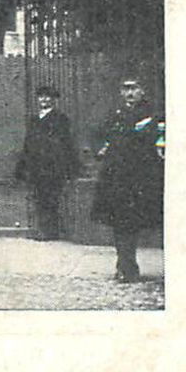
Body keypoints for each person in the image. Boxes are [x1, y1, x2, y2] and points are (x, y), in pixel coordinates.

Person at [91, 77, 165, 282]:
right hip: (116, 177)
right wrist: (101, 149)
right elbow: (98, 134)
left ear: (143, 91)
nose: (129, 93)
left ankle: (126, 264)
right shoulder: (115, 114)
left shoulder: (152, 114)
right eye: (125, 89)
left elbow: (156, 139)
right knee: (120, 223)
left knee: (133, 222)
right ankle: (125, 264)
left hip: (141, 177)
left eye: (134, 89)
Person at [15, 85, 80, 240]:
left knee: (51, 198)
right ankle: (42, 229)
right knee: (39, 197)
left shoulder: (60, 118)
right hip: (36, 165)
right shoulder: (34, 119)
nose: (44, 99)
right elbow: (28, 143)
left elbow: (64, 143)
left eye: (47, 97)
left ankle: (51, 231)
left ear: (53, 99)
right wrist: (24, 164)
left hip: (51, 165)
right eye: (41, 96)